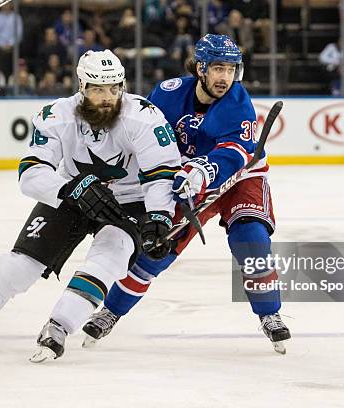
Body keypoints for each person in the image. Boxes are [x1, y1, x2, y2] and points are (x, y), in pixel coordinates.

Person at [0, 50, 182, 358]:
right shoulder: (57, 115)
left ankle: (58, 327)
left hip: (128, 200)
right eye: (98, 89)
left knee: (111, 253)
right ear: (82, 87)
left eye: (114, 88)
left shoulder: (142, 116)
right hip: (71, 193)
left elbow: (161, 174)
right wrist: (73, 189)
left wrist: (159, 218)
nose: (108, 97)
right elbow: (31, 173)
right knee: (18, 266)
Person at [82, 34, 291, 354]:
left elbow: (236, 153)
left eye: (231, 69)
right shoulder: (167, 95)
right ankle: (111, 310)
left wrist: (202, 171)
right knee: (156, 249)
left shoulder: (237, 102)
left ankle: (270, 313)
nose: (225, 77)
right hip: (185, 181)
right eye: (218, 68)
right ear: (201, 68)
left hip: (240, 178)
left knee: (251, 240)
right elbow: (143, 137)